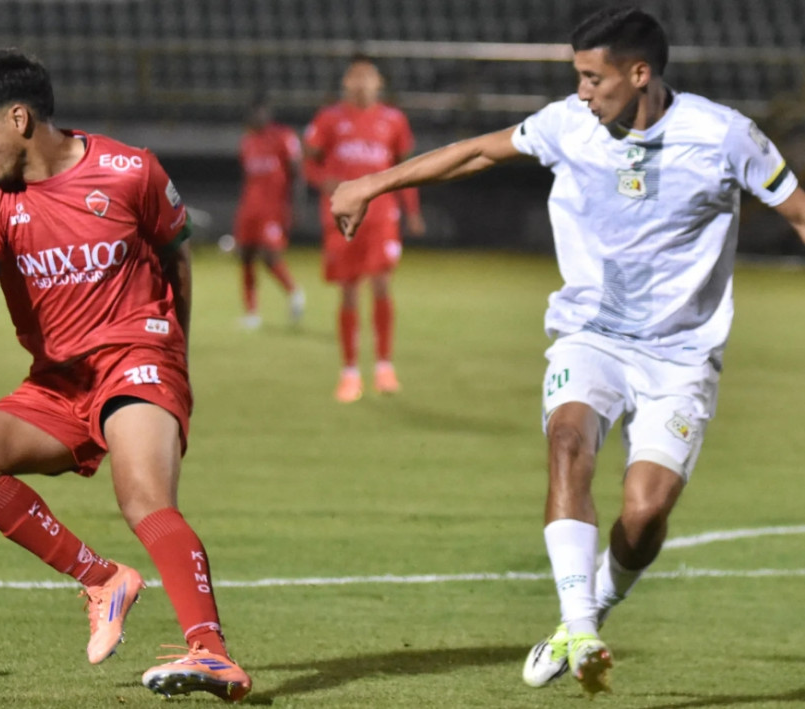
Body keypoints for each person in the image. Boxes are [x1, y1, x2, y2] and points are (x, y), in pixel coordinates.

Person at [331, 6, 805, 696]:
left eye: (592, 77)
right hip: (591, 335)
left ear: (638, 73)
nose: (581, 91)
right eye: (575, 76)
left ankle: (590, 611)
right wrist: (374, 184)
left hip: (680, 357)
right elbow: (478, 151)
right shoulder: (567, 125)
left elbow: (795, 211)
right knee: (566, 440)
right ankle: (579, 628)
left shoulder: (721, 135)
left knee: (643, 514)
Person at [0, 48, 251, 702]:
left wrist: (174, 362)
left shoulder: (130, 171)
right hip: (59, 380)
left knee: (142, 497)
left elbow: (177, 256)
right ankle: (102, 579)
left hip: (138, 354)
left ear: (18, 118)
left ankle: (211, 652)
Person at [304, 55, 426, 403]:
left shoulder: (393, 120)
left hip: (383, 217)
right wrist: (323, 182)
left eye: (367, 77)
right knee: (349, 289)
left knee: (383, 285)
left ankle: (385, 367)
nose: (360, 83)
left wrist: (412, 210)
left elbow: (407, 170)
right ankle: (350, 372)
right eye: (354, 77)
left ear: (379, 83)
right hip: (343, 218)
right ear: (345, 82)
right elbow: (308, 160)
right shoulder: (329, 119)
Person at [234, 95, 306, 330]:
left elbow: (297, 174)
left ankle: (294, 292)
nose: (256, 117)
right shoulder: (247, 142)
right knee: (245, 256)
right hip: (249, 208)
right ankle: (252, 313)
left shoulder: (284, 137)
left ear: (267, 113)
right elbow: (248, 178)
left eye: (260, 112)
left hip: (273, 209)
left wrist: (297, 206)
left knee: (269, 255)